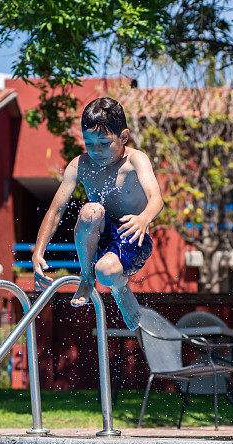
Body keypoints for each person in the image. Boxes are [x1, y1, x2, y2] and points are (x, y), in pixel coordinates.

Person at [32, 97, 164, 329]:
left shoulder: (136, 160)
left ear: (123, 137)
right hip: (97, 235)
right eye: (89, 143)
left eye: (104, 143)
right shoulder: (80, 165)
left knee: (105, 271)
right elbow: (56, 209)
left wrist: (144, 218)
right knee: (91, 211)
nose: (96, 151)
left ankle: (121, 288)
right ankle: (86, 276)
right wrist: (38, 252)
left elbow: (157, 199)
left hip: (131, 237)